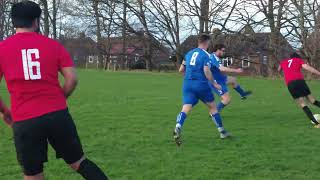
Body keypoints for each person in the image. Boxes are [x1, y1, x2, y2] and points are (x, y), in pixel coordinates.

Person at [0, 1, 108, 179]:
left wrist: (5, 111)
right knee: (79, 162)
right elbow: (72, 79)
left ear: (13, 21)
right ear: (36, 21)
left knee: (33, 174)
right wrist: (60, 98)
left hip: (25, 119)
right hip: (57, 115)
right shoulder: (53, 45)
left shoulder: (2, 49)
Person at [174, 34, 231, 146]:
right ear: (207, 43)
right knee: (213, 108)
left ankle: (178, 126)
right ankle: (222, 132)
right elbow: (206, 71)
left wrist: (190, 75)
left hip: (187, 84)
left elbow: (181, 70)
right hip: (201, 84)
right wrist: (214, 83)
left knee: (186, 108)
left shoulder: (189, 53)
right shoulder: (206, 55)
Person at [279, 52, 320, 128]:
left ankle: (317, 124)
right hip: (299, 81)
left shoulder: (284, 62)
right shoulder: (298, 60)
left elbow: (279, 69)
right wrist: (318, 73)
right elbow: (307, 67)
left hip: (290, 84)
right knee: (312, 100)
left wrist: (284, 72)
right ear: (298, 57)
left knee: (302, 104)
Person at [210, 44, 252, 112]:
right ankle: (214, 113)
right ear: (218, 50)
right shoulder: (213, 57)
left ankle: (242, 94)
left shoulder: (215, 57)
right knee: (227, 100)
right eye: (223, 51)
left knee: (233, 80)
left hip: (221, 78)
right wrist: (236, 71)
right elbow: (221, 69)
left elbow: (218, 68)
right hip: (216, 82)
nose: (224, 52)